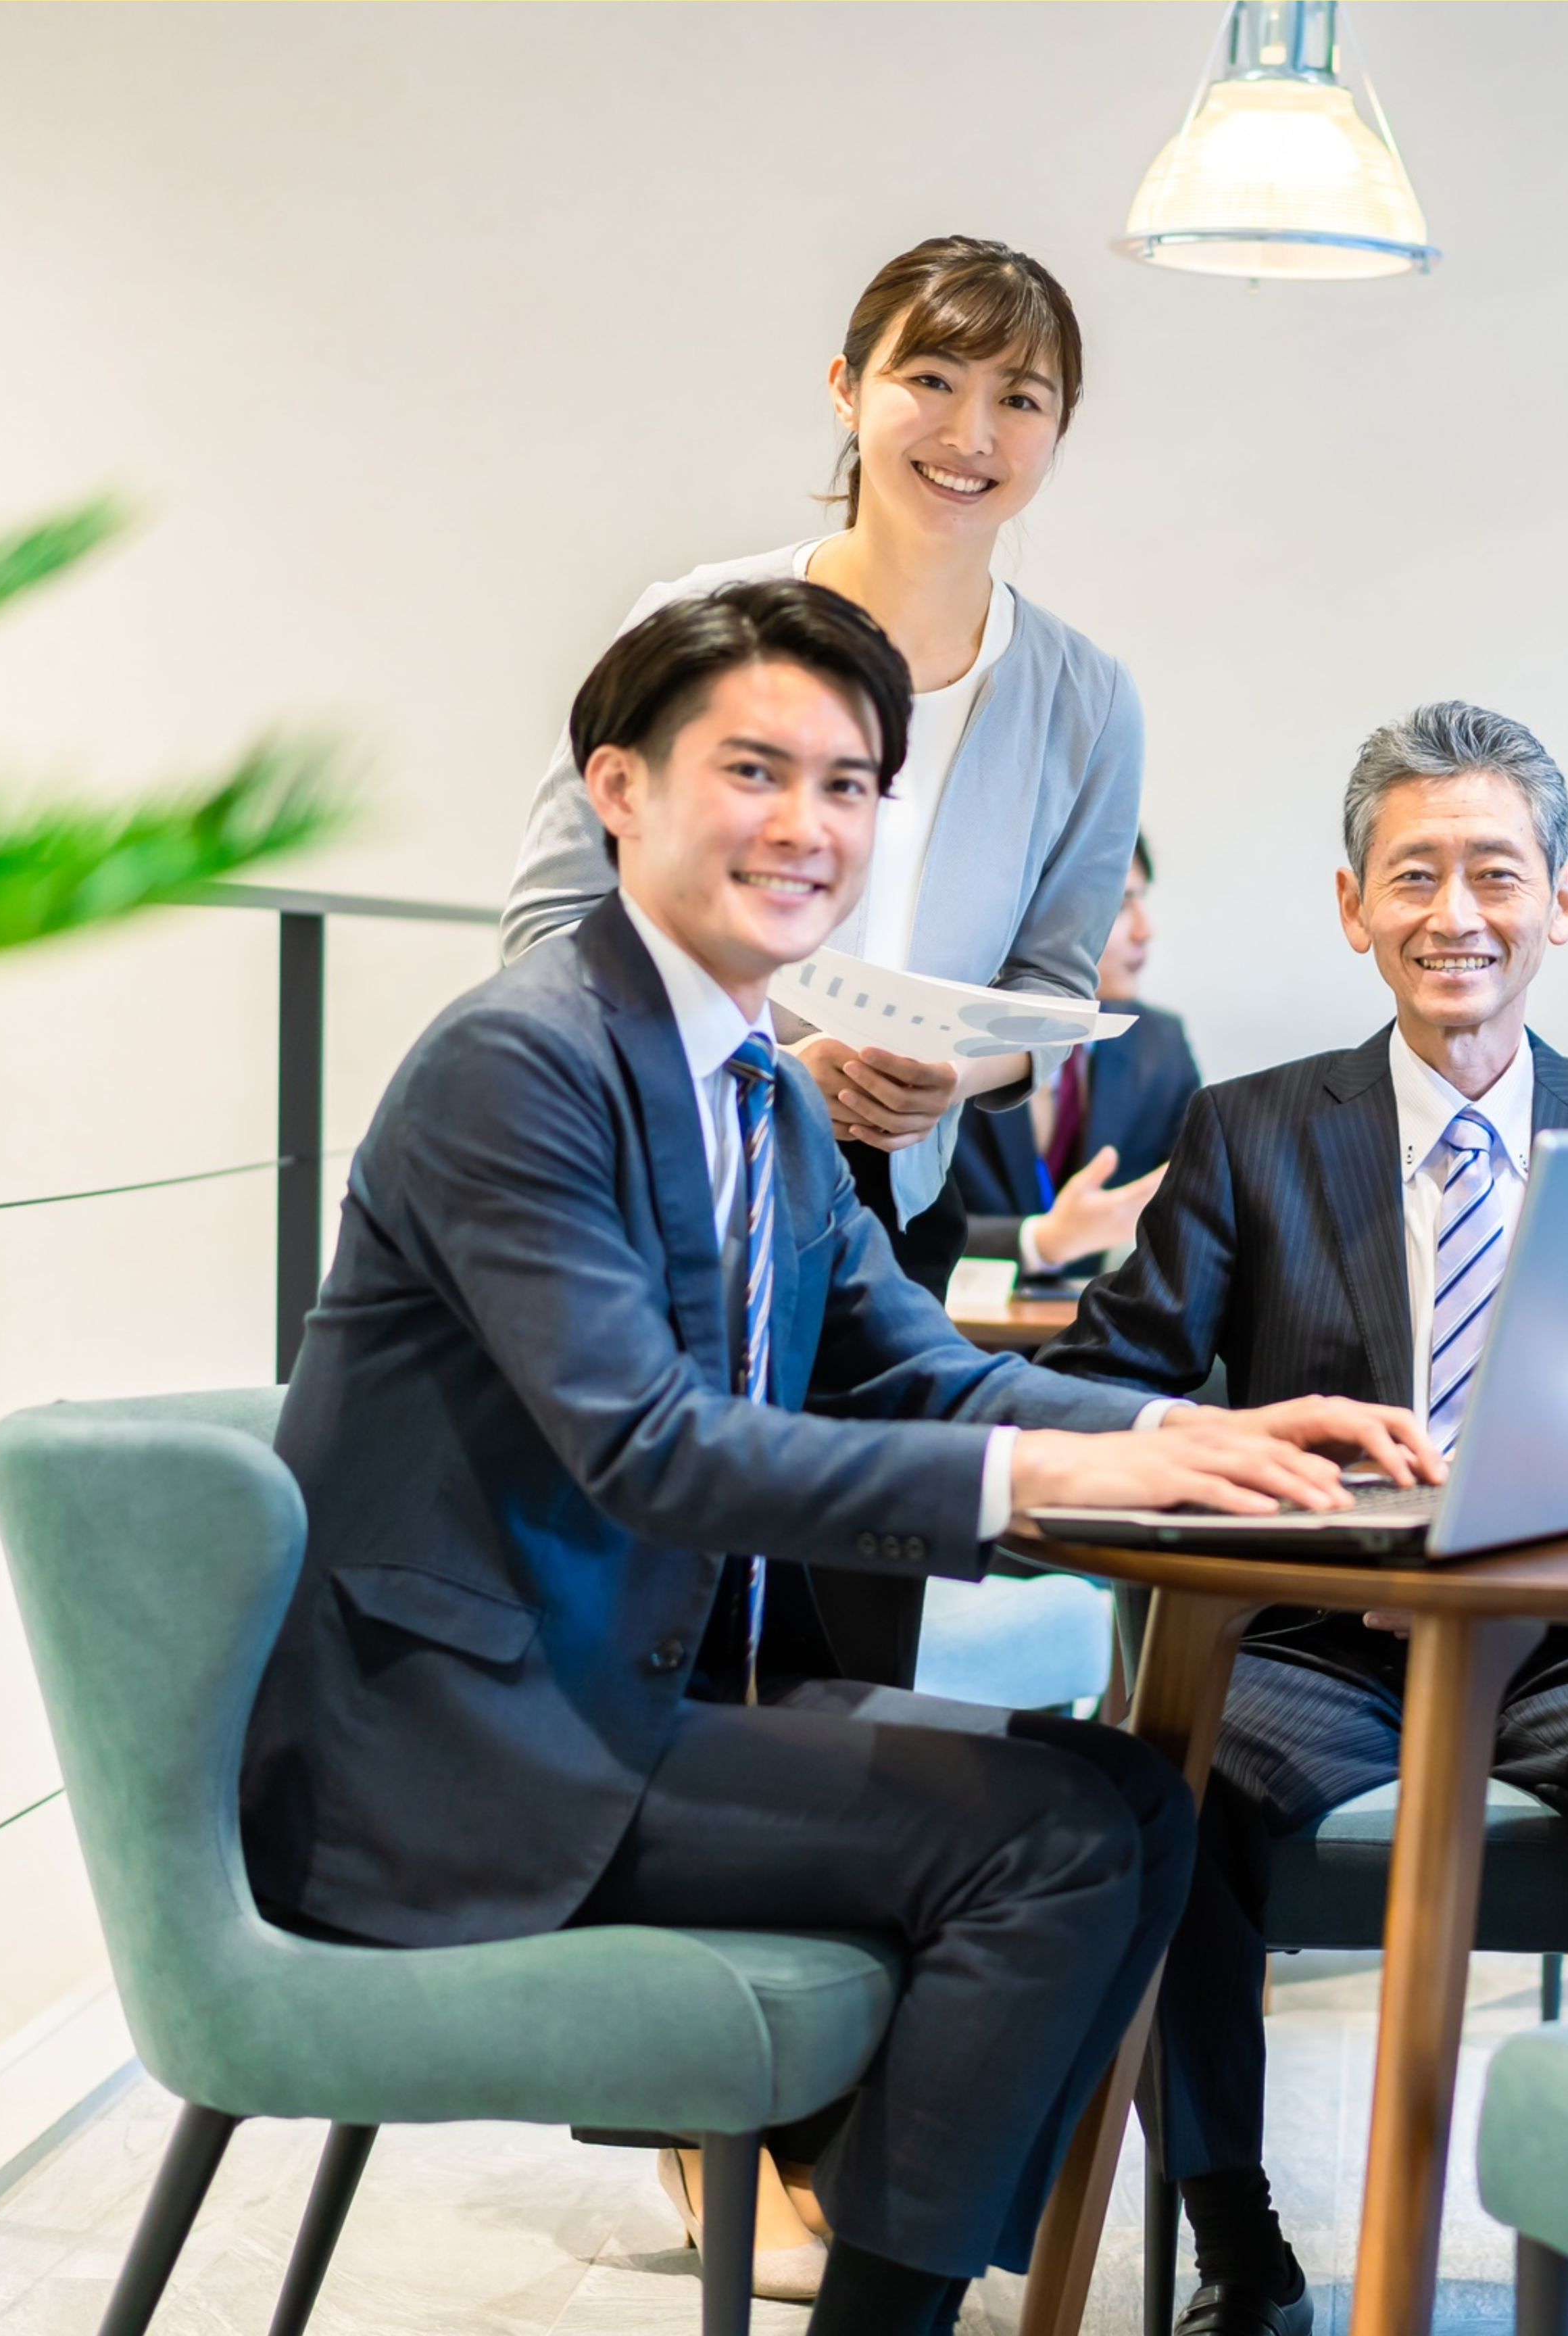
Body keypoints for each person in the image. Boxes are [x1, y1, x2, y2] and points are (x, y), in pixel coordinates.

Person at [247, 580, 1434, 2336]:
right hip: (461, 1761)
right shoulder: (522, 1064)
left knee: (1129, 1798)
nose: (810, 825)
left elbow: (919, 1375)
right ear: (618, 789)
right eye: (757, 770)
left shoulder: (750, 1087)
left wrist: (1191, 1436)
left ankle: (886, 2289)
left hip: (613, 1704)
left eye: (854, 783)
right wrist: (1043, 1487)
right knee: (1052, 1844)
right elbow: (652, 1449)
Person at [1041, 703, 1568, 2336]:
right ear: (1352, 904)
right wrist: (1252, 1450)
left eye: (1494, 872)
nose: (1455, 912)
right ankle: (1236, 2242)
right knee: (1162, 1785)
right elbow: (1115, 1378)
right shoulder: (1248, 1130)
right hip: (1312, 1637)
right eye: (1415, 874)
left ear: (1563, 898)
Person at [504, 234, 1142, 1695]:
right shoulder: (696, 630)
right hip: (671, 1173)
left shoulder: (1088, 700)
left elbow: (1051, 999)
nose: (974, 434)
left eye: (1023, 397)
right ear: (848, 389)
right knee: (630, 1630)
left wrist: (944, 1076)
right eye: (932, 376)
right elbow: (550, 929)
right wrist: (775, 1060)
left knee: (843, 1662)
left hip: (883, 1211)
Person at [956, 835, 1200, 1278]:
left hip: (1091, 1338)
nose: (1145, 930)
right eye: (1120, 905)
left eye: (1141, 901)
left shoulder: (1159, 1044)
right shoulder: (947, 1040)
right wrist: (1040, 1242)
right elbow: (896, 1229)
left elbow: (1198, 1205)